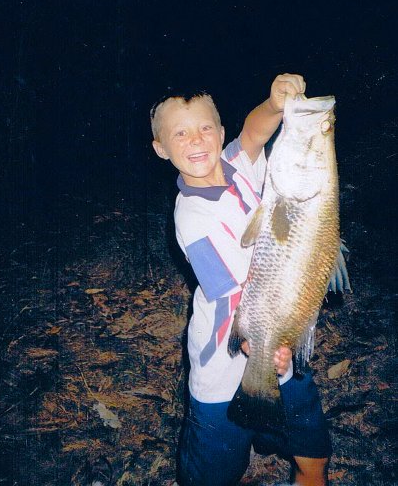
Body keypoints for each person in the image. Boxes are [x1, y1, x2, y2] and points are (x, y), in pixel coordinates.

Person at [150, 74, 332, 486]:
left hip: (279, 344)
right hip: (226, 367)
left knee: (313, 455)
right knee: (214, 476)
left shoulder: (235, 167)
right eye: (180, 133)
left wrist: (273, 103)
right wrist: (261, 345)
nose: (196, 140)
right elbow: (235, 291)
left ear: (220, 133)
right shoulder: (192, 216)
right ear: (161, 149)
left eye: (205, 128)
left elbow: (254, 133)